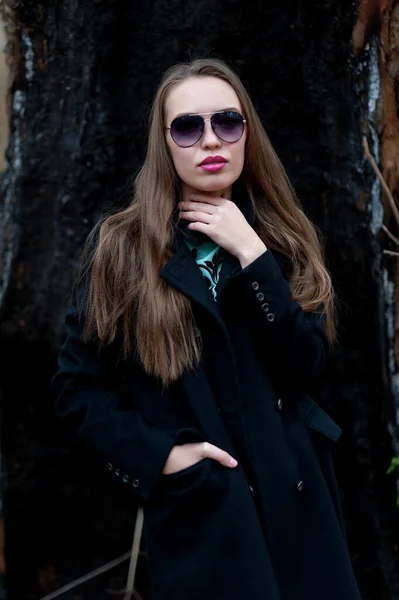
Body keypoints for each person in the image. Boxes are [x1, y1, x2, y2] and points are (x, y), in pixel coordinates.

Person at [51, 57, 362, 600]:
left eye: (228, 122)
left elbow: (305, 366)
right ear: (166, 142)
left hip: (299, 504)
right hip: (209, 515)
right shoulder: (122, 249)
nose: (211, 140)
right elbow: (78, 391)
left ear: (247, 134)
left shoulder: (282, 236)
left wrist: (252, 255)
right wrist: (165, 458)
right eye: (189, 127)